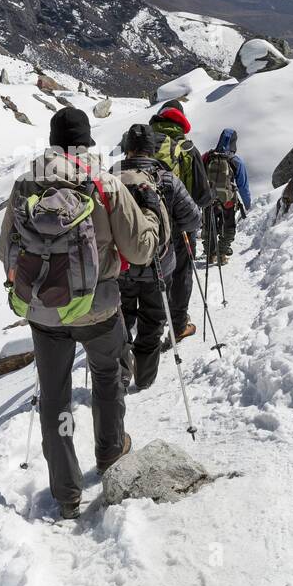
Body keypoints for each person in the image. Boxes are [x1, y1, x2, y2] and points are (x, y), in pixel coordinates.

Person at [0, 106, 160, 520]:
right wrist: (153, 221)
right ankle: (109, 454)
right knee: (108, 378)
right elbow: (140, 250)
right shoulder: (103, 183)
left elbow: (5, 251)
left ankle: (67, 492)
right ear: (87, 141)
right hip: (99, 307)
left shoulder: (26, 183)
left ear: (52, 140)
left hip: (44, 313)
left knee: (55, 397)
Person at [111, 124, 202, 392]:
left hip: (120, 266)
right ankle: (145, 377)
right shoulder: (166, 178)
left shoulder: (111, 176)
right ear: (152, 149)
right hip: (158, 266)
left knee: (120, 319)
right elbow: (193, 218)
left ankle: (120, 374)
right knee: (152, 322)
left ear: (127, 148)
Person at [149, 99, 212, 340]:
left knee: (150, 272)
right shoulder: (187, 149)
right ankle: (178, 325)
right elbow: (202, 195)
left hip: (145, 224)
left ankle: (152, 321)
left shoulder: (144, 144)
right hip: (179, 226)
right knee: (181, 273)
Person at [202, 128, 251, 265]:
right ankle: (222, 253)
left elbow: (199, 175)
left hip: (208, 198)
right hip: (228, 200)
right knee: (228, 225)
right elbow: (243, 186)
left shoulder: (207, 156)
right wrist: (247, 204)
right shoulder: (235, 160)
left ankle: (210, 254)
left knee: (208, 226)